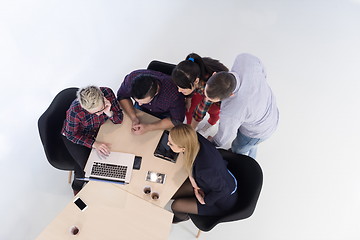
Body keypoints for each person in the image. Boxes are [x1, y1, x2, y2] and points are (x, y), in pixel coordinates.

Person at [205, 53, 279, 158]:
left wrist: (213, 142)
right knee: (251, 144)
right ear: (214, 75)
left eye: (210, 99)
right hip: (269, 108)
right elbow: (263, 71)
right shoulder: (244, 59)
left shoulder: (232, 111)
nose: (206, 99)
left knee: (238, 148)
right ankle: (252, 146)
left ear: (231, 95)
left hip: (257, 131)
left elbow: (225, 135)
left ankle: (247, 156)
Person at [169, 124, 238, 223]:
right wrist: (193, 182)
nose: (168, 144)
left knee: (176, 206)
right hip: (211, 183)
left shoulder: (204, 170)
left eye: (171, 144)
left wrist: (203, 200)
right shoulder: (194, 138)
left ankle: (183, 217)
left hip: (220, 201)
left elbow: (223, 190)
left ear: (183, 148)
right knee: (172, 192)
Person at [61, 86, 123, 195]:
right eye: (93, 113)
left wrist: (109, 112)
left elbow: (119, 119)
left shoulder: (107, 92)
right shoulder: (75, 111)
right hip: (77, 136)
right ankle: (77, 186)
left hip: (97, 131)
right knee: (88, 169)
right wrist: (94, 144)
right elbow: (71, 135)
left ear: (103, 98)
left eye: (100, 110)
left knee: (113, 155)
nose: (99, 114)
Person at [172, 53, 228, 132]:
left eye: (183, 87)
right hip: (199, 87)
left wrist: (191, 130)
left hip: (217, 93)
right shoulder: (191, 70)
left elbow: (201, 111)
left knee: (213, 111)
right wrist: (188, 98)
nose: (179, 90)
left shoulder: (210, 87)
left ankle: (209, 124)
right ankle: (189, 125)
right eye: (178, 86)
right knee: (190, 108)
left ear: (196, 81)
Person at [117, 69, 185, 135]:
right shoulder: (131, 79)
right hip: (141, 112)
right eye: (137, 101)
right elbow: (122, 96)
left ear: (156, 93)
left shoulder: (173, 94)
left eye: (143, 102)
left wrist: (148, 127)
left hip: (164, 115)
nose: (140, 104)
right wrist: (134, 117)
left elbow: (176, 120)